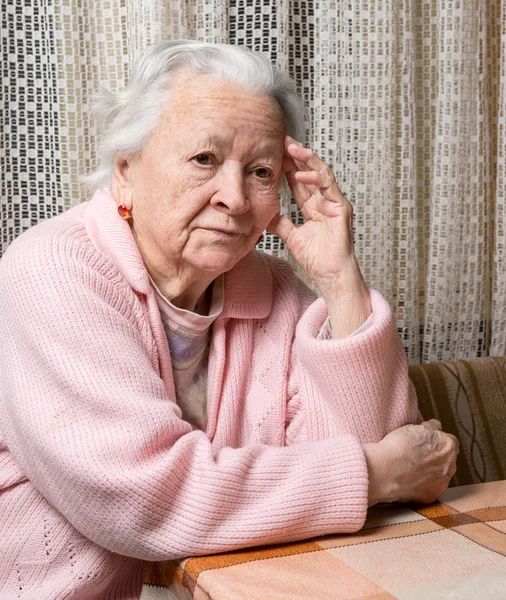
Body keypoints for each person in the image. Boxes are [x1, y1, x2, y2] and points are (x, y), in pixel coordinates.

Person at [0, 40, 458, 599]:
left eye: (261, 171)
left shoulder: (272, 288)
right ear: (126, 171)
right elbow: (147, 496)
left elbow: (388, 451)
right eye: (204, 160)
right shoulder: (53, 270)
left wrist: (341, 283)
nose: (236, 198)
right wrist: (374, 474)